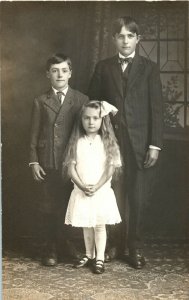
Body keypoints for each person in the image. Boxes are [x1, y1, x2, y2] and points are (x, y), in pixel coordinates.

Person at [88, 16, 163, 269]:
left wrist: (155, 144)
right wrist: (102, 107)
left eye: (130, 36)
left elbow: (156, 108)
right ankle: (113, 245)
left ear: (138, 39)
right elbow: (92, 104)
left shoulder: (150, 69)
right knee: (113, 196)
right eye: (120, 36)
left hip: (141, 144)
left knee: (137, 198)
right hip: (111, 143)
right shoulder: (103, 67)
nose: (125, 40)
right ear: (113, 39)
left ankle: (134, 247)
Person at [29, 53, 88, 266]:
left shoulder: (81, 99)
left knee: (68, 204)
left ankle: (67, 244)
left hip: (71, 162)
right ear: (48, 74)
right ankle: (51, 247)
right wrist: (33, 161)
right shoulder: (40, 101)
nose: (60, 74)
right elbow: (34, 134)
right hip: (48, 161)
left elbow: (87, 132)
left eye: (64, 70)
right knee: (48, 205)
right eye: (55, 71)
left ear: (70, 73)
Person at [63, 101, 122, 274]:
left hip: (100, 191)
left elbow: (110, 168)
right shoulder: (77, 141)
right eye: (87, 118)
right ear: (81, 119)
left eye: (95, 118)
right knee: (86, 225)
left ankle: (100, 258)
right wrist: (82, 186)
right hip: (82, 191)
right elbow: (71, 167)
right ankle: (89, 254)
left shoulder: (107, 143)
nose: (91, 122)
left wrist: (96, 186)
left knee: (99, 225)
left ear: (102, 120)